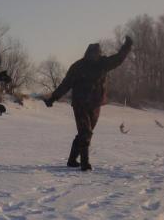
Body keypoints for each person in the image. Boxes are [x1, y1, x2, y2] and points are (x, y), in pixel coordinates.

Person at [44, 36, 133, 171]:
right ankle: (85, 163)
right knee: (85, 132)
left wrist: (126, 46)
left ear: (99, 53)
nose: (94, 55)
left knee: (85, 133)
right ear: (87, 53)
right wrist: (53, 98)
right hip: (80, 103)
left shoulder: (103, 64)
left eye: (96, 53)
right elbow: (66, 84)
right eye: (92, 53)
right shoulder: (78, 66)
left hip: (95, 104)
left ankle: (72, 160)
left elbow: (118, 59)